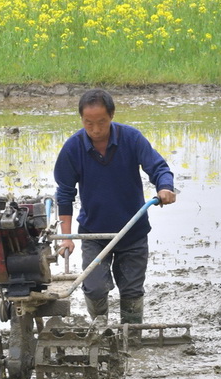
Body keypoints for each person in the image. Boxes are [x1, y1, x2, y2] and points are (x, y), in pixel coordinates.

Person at [54, 88, 176, 324]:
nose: (96, 129)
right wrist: (66, 237)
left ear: (111, 116)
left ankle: (132, 338)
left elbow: (158, 167)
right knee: (94, 286)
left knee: (131, 289)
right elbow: (65, 194)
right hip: (95, 233)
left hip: (132, 231)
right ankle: (101, 333)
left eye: (102, 122)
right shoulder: (73, 148)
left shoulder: (131, 139)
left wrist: (164, 187)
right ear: (81, 119)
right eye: (89, 123)